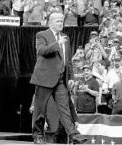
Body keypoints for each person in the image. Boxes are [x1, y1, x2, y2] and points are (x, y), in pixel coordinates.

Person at [30, 13, 87, 144]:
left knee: (65, 107)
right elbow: (41, 51)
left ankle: (73, 135)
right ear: (50, 22)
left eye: (62, 21)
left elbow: (68, 61)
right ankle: (38, 136)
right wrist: (57, 43)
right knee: (40, 109)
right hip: (44, 78)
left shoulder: (65, 38)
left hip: (61, 80)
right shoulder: (42, 35)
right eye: (57, 21)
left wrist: (71, 77)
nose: (61, 23)